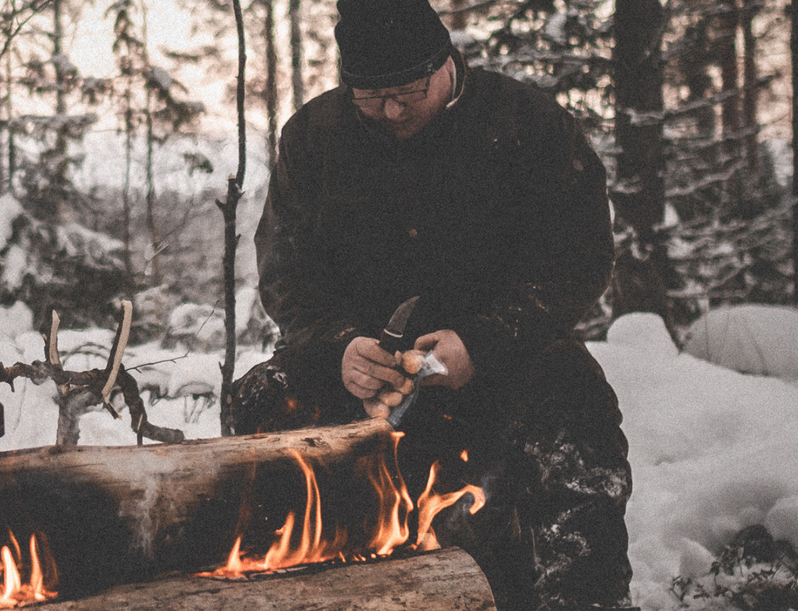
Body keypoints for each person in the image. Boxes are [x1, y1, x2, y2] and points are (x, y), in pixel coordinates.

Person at [229, 1, 636, 610]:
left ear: (444, 61)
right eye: (369, 97)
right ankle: (303, 590)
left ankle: (580, 597)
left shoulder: (529, 124)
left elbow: (577, 260)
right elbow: (287, 272)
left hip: (505, 356)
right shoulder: (315, 136)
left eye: (407, 92)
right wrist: (338, 346)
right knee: (266, 395)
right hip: (365, 370)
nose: (391, 111)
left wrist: (485, 343)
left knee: (573, 393)